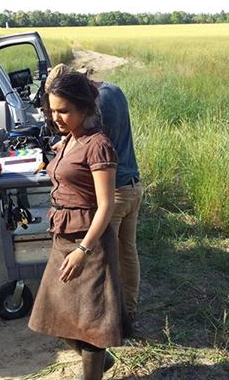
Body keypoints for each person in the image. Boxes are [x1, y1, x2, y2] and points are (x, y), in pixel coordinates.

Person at [28, 72, 127, 379]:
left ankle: (94, 368)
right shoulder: (69, 139)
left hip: (89, 244)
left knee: (91, 323)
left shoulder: (98, 145)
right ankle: (101, 364)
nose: (56, 117)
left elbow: (106, 205)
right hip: (63, 237)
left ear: (85, 108)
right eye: (52, 110)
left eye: (64, 110)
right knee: (51, 313)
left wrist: (83, 250)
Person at [45, 64, 142, 324]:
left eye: (64, 109)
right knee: (127, 252)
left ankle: (107, 321)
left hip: (115, 191)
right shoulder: (115, 90)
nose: (57, 116)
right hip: (132, 184)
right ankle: (129, 312)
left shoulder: (98, 107)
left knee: (103, 262)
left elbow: (95, 148)